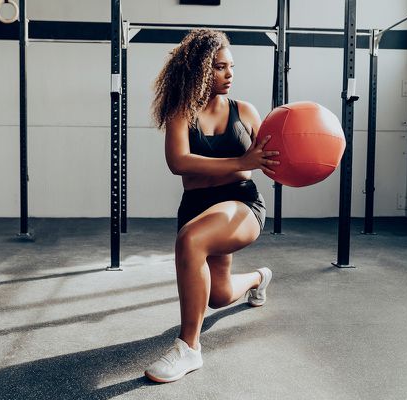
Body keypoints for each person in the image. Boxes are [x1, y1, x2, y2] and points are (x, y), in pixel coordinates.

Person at [145, 29, 280, 383]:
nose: (229, 74)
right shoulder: (180, 113)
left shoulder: (246, 112)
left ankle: (188, 348)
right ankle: (259, 278)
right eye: (220, 67)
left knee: (191, 240)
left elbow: (271, 157)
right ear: (200, 70)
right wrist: (243, 159)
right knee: (218, 295)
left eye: (231, 67)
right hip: (198, 206)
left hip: (241, 203)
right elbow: (179, 162)